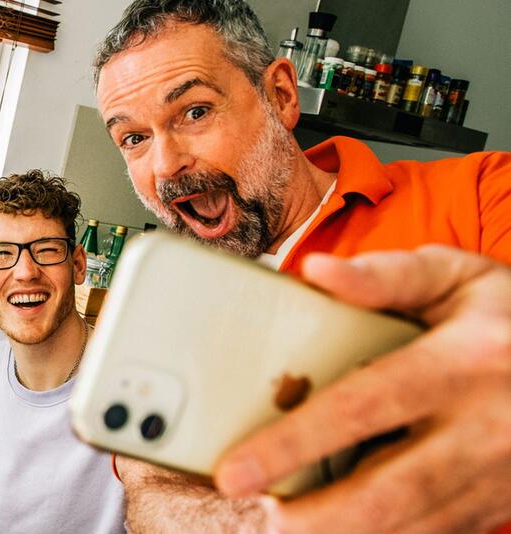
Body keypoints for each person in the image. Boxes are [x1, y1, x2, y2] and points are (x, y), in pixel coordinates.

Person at [92, 0, 511, 532]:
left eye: (194, 111)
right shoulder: (148, 309)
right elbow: (151, 491)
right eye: (134, 138)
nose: (165, 163)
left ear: (281, 96)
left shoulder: (483, 194)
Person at [0, 170, 125, 533]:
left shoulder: (138, 385)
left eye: (47, 250)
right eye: (0, 253)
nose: (25, 271)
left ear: (78, 264)